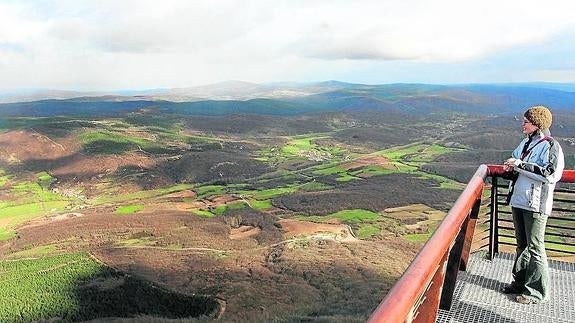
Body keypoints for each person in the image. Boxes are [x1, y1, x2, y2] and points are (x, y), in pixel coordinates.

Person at [501, 105, 564, 304]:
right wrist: (510, 166)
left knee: (535, 246)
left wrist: (519, 165)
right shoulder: (526, 143)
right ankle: (519, 283)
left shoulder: (551, 146)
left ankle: (536, 292)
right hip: (519, 200)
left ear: (537, 124)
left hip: (536, 204)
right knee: (522, 245)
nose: (523, 124)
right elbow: (516, 159)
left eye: (526, 121)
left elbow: (550, 174)